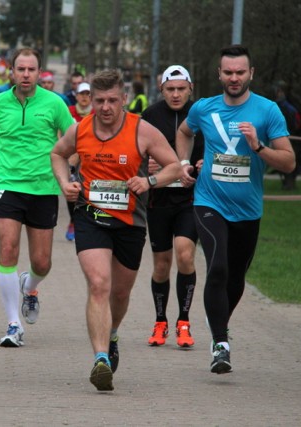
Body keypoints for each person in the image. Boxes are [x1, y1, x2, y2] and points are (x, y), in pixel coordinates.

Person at [51, 69, 182, 392]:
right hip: (90, 215)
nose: (105, 107)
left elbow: (175, 166)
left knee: (120, 294)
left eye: (112, 100)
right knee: (99, 284)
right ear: (90, 101)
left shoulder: (143, 130)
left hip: (130, 222)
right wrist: (65, 182)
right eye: (99, 101)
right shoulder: (81, 129)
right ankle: (100, 359)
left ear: (124, 99)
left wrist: (149, 181)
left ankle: (111, 335)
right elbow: (57, 153)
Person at [176, 45, 295, 374]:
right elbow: (184, 132)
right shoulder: (204, 108)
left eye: (240, 72)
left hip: (248, 209)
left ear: (251, 74)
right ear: (219, 74)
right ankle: (221, 343)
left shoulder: (267, 111)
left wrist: (258, 146)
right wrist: (184, 163)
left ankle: (218, 322)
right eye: (228, 72)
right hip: (208, 202)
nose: (233, 77)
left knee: (236, 278)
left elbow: (288, 161)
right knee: (217, 268)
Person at [0, 47, 74, 348]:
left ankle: (29, 287)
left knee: (42, 262)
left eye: (31, 70)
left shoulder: (55, 104)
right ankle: (13, 324)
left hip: (44, 188)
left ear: (40, 72)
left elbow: (73, 139)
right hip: (7, 184)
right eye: (21, 69)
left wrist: (74, 172)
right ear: (11, 72)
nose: (26, 74)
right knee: (7, 248)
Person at [141, 65, 204, 348]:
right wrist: (147, 165)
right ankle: (160, 322)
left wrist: (202, 165)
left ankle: (184, 321)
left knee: (185, 255)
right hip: (159, 200)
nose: (176, 95)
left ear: (191, 88)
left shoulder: (202, 113)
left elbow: (215, 150)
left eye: (181, 89)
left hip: (190, 200)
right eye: (170, 89)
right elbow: (136, 154)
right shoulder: (150, 116)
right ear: (161, 89)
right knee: (162, 265)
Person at [63, 82, 94, 242]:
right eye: (82, 94)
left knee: (88, 190)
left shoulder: (97, 113)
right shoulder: (69, 111)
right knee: (72, 188)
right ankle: (74, 220)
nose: (84, 97)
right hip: (73, 156)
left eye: (88, 94)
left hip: (91, 156)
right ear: (76, 95)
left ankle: (87, 221)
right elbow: (60, 133)